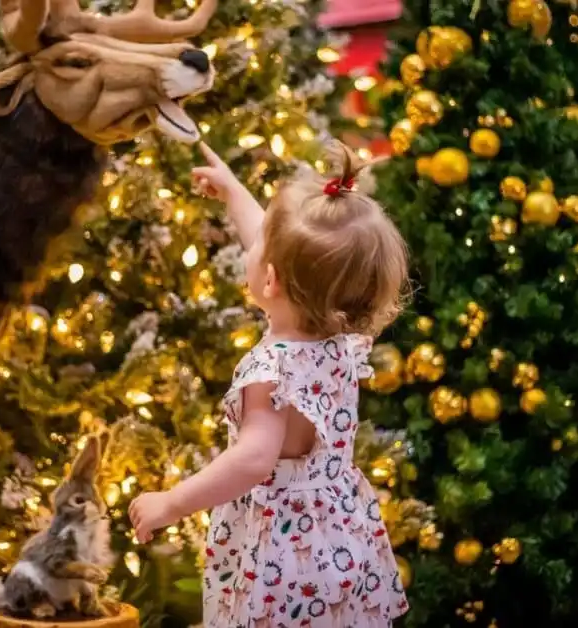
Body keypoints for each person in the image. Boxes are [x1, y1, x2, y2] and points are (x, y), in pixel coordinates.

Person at [129, 140, 410, 626]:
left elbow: (255, 460)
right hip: (337, 538)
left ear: (272, 281)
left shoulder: (270, 371)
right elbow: (281, 247)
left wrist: (169, 504)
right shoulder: (338, 337)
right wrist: (234, 190)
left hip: (284, 550)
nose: (252, 240)